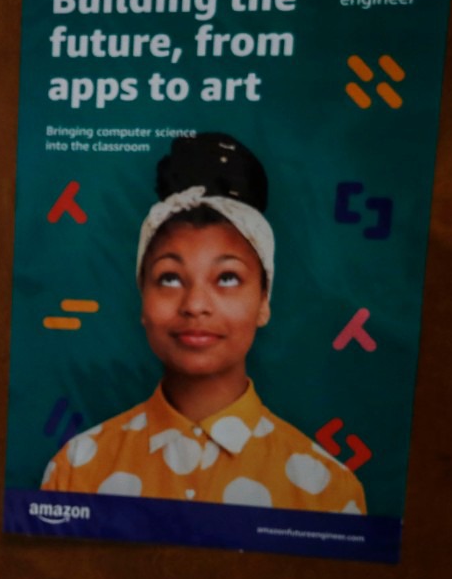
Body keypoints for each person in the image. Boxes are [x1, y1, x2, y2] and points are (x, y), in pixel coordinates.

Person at [41, 133, 367, 514]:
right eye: (169, 278)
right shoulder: (78, 470)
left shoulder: (326, 489)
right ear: (142, 300)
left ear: (264, 301)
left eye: (227, 278)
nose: (195, 305)